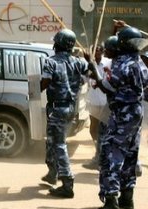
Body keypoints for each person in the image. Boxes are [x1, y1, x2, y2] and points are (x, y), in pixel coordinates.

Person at [91, 27, 148, 209]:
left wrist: (93, 67)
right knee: (130, 155)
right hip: (136, 113)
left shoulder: (122, 63)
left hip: (122, 114)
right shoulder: (140, 62)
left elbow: (108, 86)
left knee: (110, 154)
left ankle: (110, 200)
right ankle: (127, 199)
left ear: (122, 43)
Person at [40, 28, 89, 198]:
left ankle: (67, 182)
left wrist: (35, 87)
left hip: (57, 109)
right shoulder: (79, 62)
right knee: (52, 140)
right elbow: (88, 75)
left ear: (57, 43)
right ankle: (52, 173)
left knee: (59, 144)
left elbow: (44, 83)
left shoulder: (51, 62)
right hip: (70, 108)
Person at [83, 45, 111, 170]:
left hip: (105, 102)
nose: (97, 53)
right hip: (93, 100)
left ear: (103, 52)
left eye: (99, 51)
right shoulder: (88, 65)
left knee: (104, 130)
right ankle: (98, 151)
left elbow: (102, 80)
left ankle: (100, 156)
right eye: (95, 51)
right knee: (93, 129)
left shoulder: (108, 63)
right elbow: (84, 79)